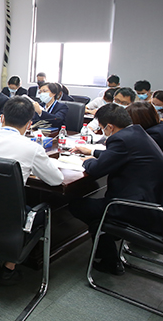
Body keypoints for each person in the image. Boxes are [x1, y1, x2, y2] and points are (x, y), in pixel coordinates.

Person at [0, 96, 63, 285]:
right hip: (8, 216)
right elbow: (56, 180)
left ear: (1, 118)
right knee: (43, 213)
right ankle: (8, 268)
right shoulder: (31, 148)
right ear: (29, 124)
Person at [70, 104, 163, 275]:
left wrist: (86, 160)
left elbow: (95, 169)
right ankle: (107, 245)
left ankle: (109, 259)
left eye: (102, 128)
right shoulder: (137, 133)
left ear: (110, 127)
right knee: (96, 211)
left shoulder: (120, 139)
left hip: (135, 208)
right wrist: (93, 152)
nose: (103, 132)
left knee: (78, 206)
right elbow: (121, 154)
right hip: (153, 202)